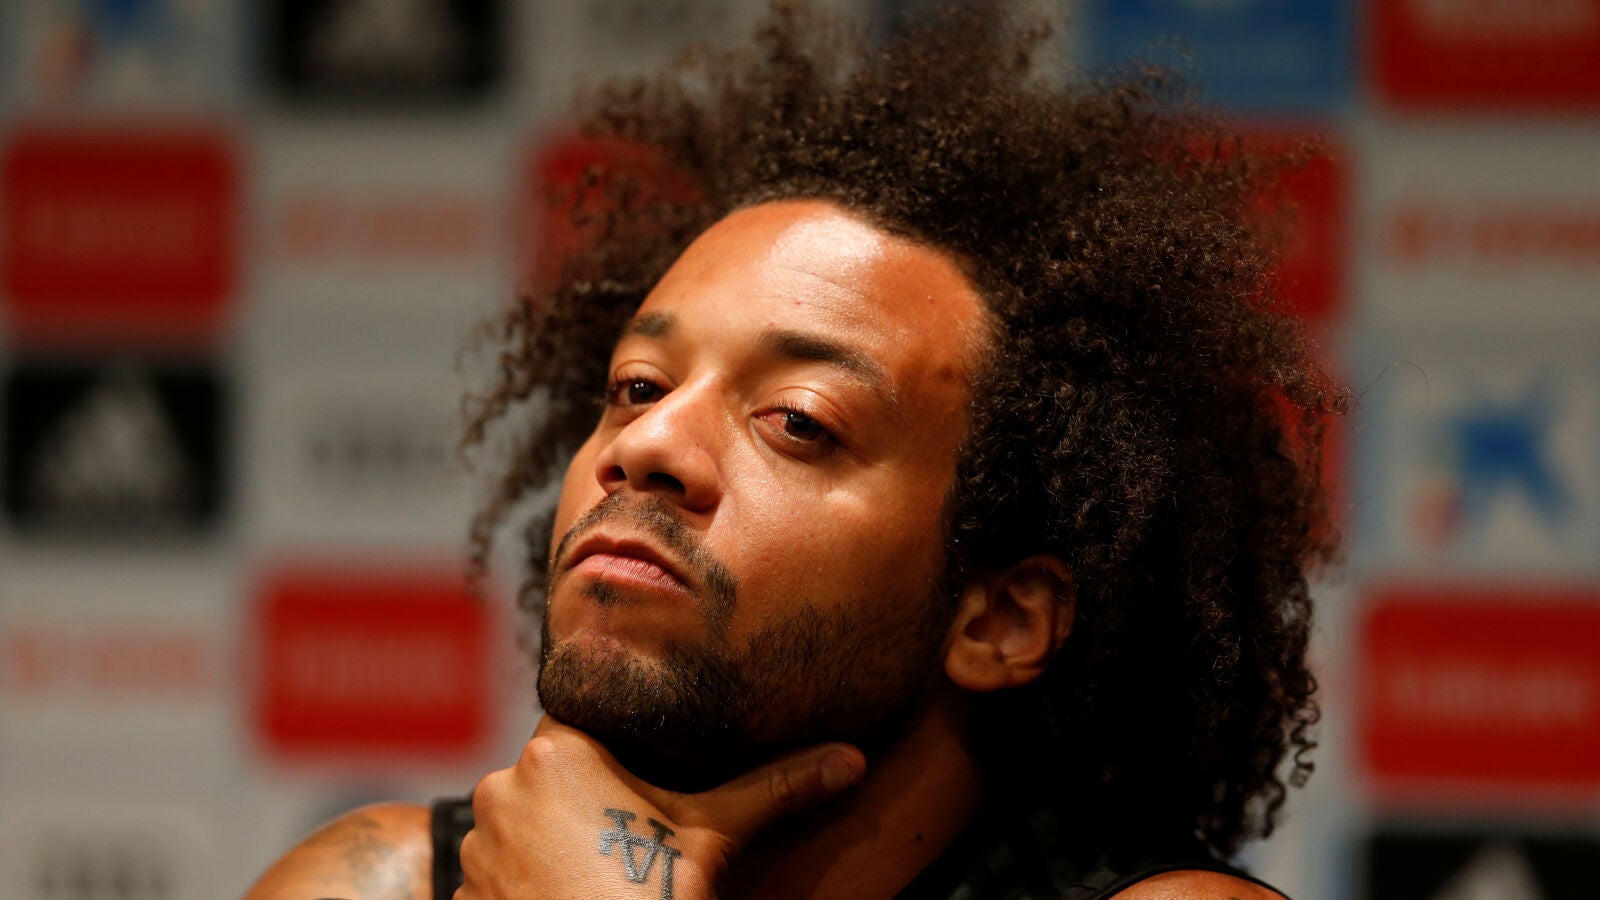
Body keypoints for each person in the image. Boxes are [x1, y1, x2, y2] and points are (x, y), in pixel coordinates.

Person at [246, 2, 1343, 898]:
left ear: (997, 619)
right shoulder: (372, 886)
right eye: (636, 388)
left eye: (798, 422)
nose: (649, 446)